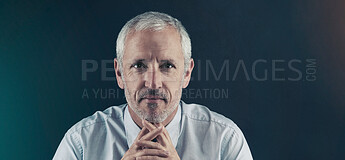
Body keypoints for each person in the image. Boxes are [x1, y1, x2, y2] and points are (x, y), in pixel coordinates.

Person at [53, 11, 253, 160]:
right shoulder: (80, 143)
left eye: (167, 66)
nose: (153, 83)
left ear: (186, 73)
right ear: (119, 73)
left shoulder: (225, 141)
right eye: (139, 65)